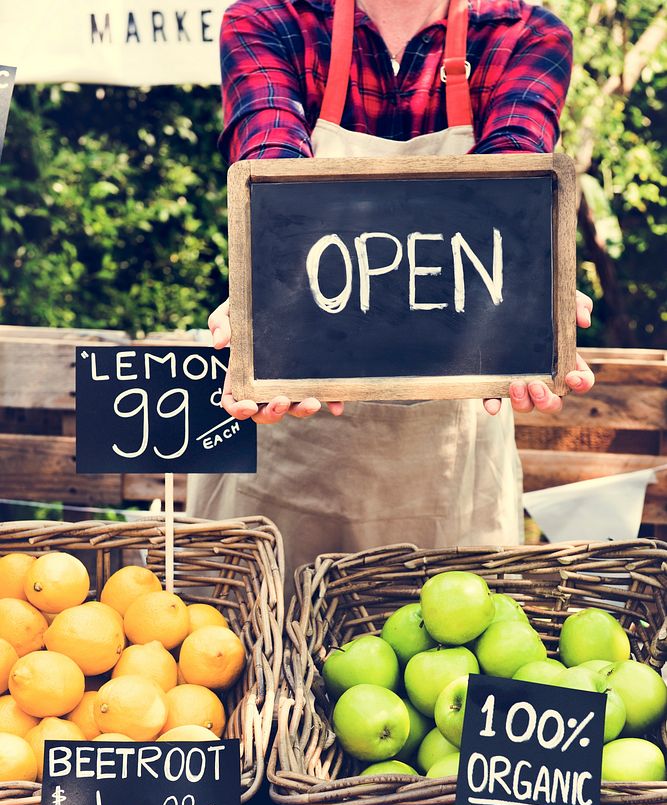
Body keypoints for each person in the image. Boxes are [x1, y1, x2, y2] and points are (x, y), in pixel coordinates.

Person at [188, 0, 595, 575]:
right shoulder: (270, 21)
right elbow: (270, 162)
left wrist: (535, 291)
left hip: (450, 478)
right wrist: (265, 297)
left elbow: (511, 182)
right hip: (288, 445)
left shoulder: (524, 34)